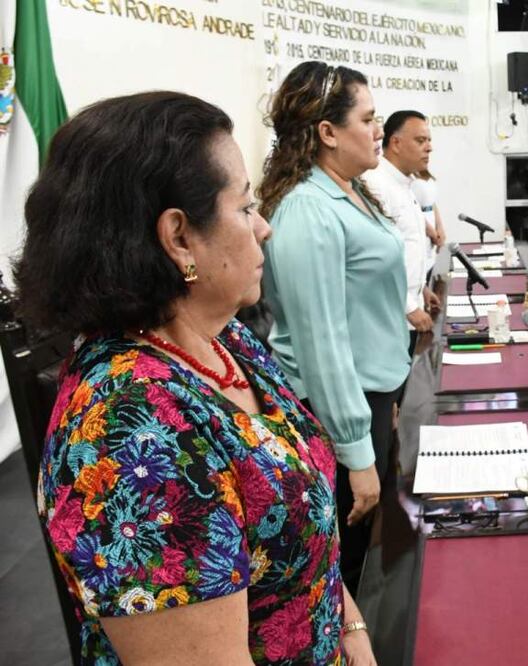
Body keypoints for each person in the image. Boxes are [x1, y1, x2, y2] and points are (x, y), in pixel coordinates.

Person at [16, 91, 376, 664]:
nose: (264, 229)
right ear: (180, 236)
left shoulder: (223, 340)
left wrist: (351, 629)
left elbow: (299, 523)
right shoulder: (132, 431)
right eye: (245, 207)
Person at [258, 62, 411, 599]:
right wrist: (357, 454)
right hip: (337, 414)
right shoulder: (307, 208)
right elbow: (321, 343)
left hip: (371, 397)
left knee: (370, 555)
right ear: (327, 132)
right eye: (368, 119)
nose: (377, 131)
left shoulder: (348, 192)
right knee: (347, 568)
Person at [365, 110, 441, 356]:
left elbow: (408, 246)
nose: (428, 148)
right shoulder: (376, 185)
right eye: (420, 141)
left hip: (411, 307)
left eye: (429, 141)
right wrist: (409, 306)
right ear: (395, 143)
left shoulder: (405, 185)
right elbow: (375, 260)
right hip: (392, 317)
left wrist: (422, 290)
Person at [411, 169, 446, 281]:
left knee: (431, 265)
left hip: (431, 220)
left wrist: (440, 228)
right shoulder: (406, 175)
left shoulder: (423, 169)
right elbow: (412, 209)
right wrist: (432, 233)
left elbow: (432, 203)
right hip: (419, 226)